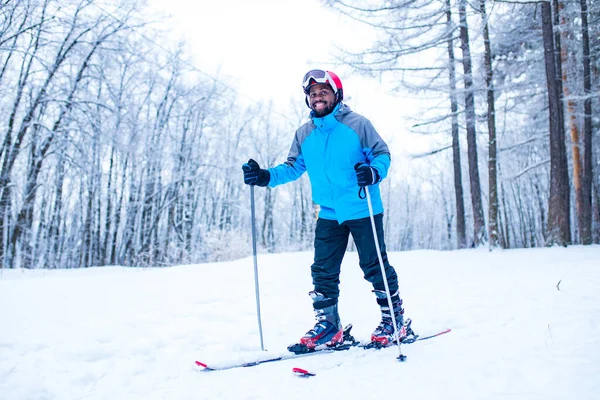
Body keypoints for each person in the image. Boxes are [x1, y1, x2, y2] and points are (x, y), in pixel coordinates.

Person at [242, 69, 407, 351]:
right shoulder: (305, 133)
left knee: (373, 265)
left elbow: (381, 154)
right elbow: (293, 166)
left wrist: (373, 172)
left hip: (362, 206)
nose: (318, 98)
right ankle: (329, 325)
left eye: (324, 92)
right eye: (313, 94)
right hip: (329, 211)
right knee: (323, 270)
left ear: (336, 95)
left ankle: (394, 320)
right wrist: (266, 176)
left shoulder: (357, 124)